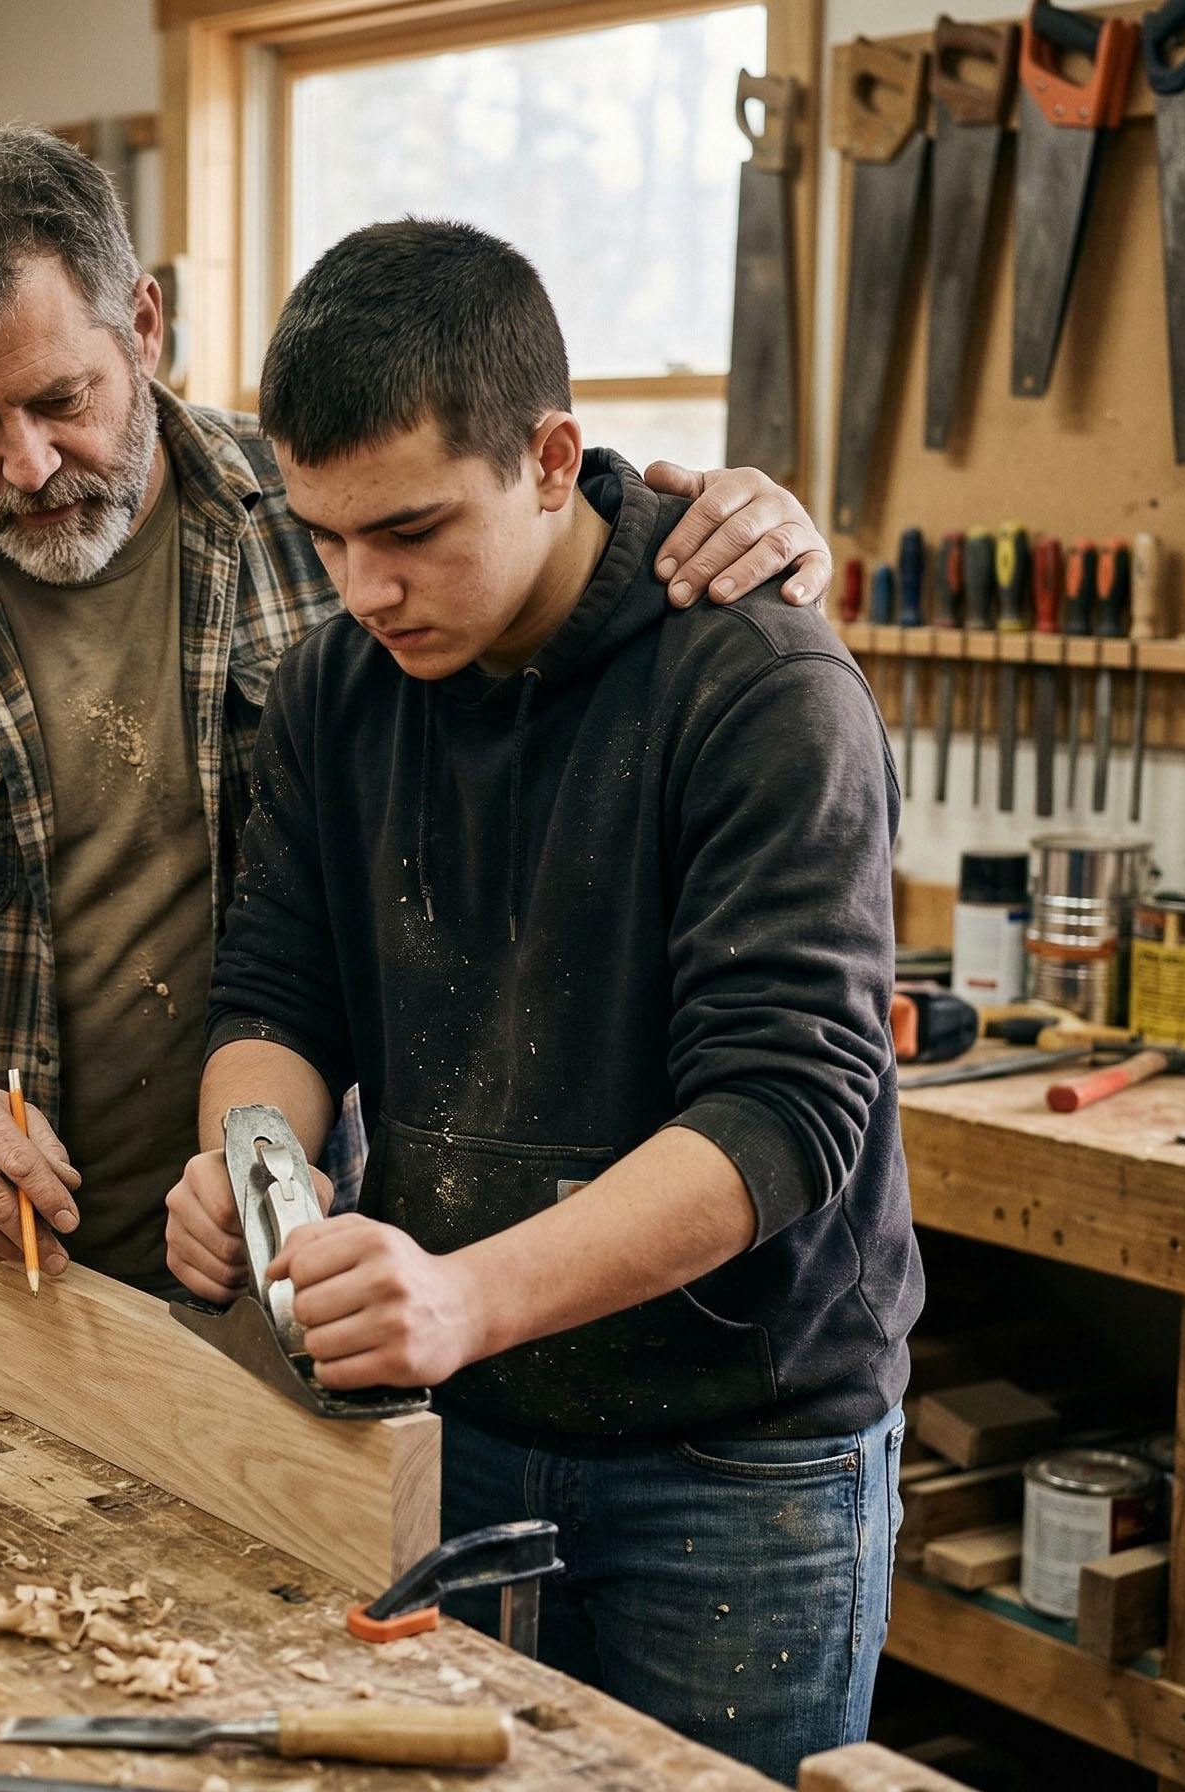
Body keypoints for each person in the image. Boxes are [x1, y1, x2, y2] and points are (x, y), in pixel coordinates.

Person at [0, 125, 837, 1308]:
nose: (26, 463)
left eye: (58, 400)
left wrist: (730, 524)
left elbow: (518, 503)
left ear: (143, 325)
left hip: (287, 1275)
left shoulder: (316, 514)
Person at [163, 219, 919, 1780]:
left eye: (414, 531)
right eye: (323, 536)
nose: (364, 587)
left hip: (734, 1449)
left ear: (554, 457)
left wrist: (461, 1297)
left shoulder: (759, 686)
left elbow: (785, 1114)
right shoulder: (334, 688)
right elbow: (276, 993)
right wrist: (256, 1167)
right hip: (469, 1422)